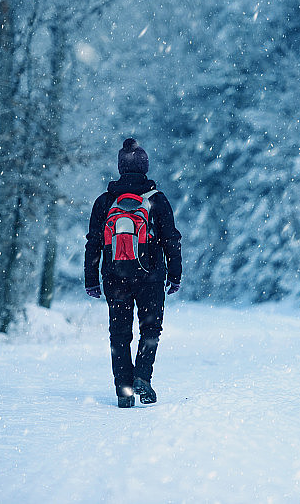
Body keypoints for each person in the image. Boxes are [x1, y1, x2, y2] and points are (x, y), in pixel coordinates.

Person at [84, 138, 182, 407]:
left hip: (115, 276)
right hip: (151, 274)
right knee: (150, 328)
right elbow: (171, 239)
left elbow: (93, 242)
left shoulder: (105, 202)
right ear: (145, 167)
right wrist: (174, 274)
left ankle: (124, 392)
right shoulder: (157, 200)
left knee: (119, 333)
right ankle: (142, 376)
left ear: (120, 168)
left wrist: (91, 279)